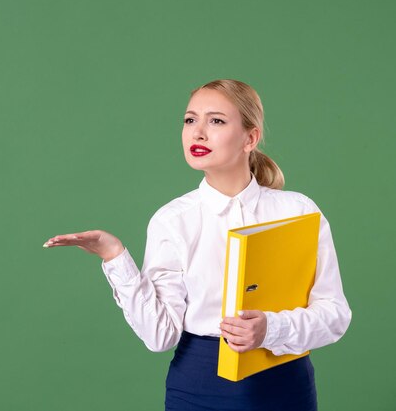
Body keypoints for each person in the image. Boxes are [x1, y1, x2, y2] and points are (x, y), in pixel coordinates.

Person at [42, 79, 351, 411]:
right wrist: (115, 257)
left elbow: (334, 315)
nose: (197, 132)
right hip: (199, 386)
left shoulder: (298, 211)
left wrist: (270, 329)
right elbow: (160, 336)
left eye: (216, 120)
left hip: (284, 382)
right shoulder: (172, 220)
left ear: (250, 138)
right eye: (190, 120)